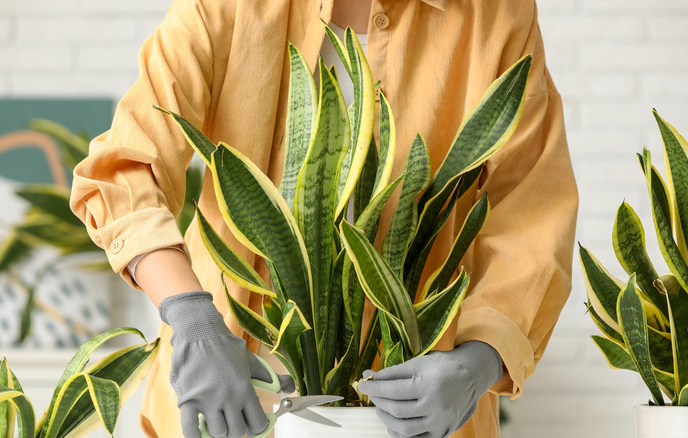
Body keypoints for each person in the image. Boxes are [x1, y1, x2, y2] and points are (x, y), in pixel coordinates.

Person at [70, 0, 578, 437]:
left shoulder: (494, 16)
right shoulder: (230, 7)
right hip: (227, 396)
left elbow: (533, 213)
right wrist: (191, 318)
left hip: (412, 411)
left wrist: (479, 362)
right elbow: (126, 170)